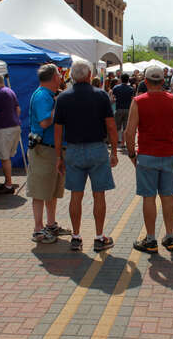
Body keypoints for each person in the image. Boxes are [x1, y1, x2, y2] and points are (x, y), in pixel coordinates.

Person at [54, 59, 119, 252]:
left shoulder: (63, 98)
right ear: (90, 75)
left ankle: (76, 236)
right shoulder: (101, 96)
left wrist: (59, 156)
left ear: (72, 76)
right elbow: (111, 126)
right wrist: (114, 151)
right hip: (97, 148)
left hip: (73, 150)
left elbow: (58, 131)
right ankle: (99, 237)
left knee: (76, 195)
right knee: (99, 195)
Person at [126, 65, 173, 253]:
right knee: (167, 196)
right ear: (163, 81)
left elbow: (130, 132)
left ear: (145, 82)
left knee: (149, 197)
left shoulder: (138, 101)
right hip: (168, 153)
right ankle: (169, 236)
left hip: (146, 154)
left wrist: (131, 154)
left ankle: (150, 239)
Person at [27, 64, 70, 244]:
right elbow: (45, 122)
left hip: (53, 150)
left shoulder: (48, 95)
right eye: (59, 75)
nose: (61, 78)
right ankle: (38, 229)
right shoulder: (43, 96)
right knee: (40, 190)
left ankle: (51, 224)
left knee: (51, 190)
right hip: (44, 150)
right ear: (53, 77)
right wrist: (59, 104)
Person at [112, 73, 134, 146]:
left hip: (118, 108)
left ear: (121, 79)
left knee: (116, 127)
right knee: (125, 127)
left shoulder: (116, 88)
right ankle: (123, 143)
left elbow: (113, 98)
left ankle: (115, 141)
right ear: (128, 80)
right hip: (128, 109)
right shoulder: (131, 89)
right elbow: (132, 99)